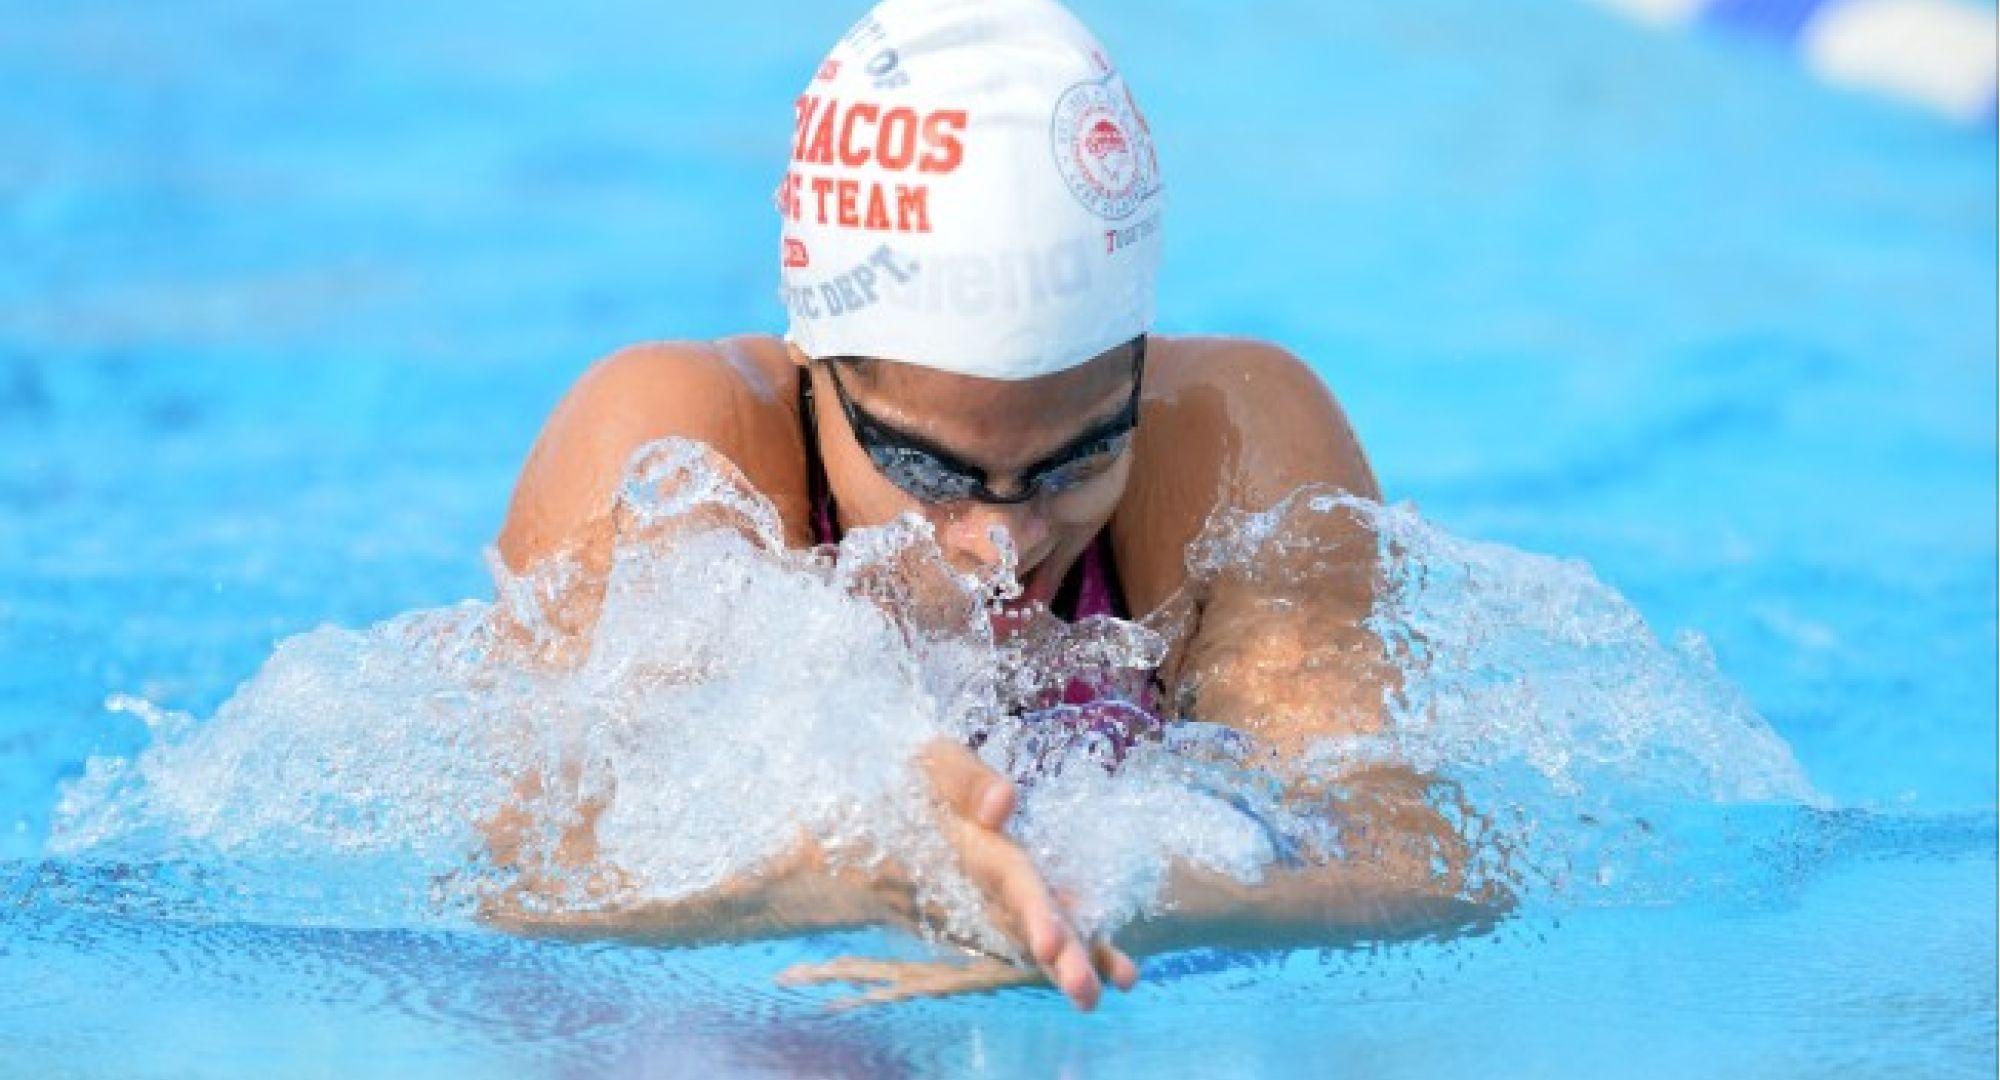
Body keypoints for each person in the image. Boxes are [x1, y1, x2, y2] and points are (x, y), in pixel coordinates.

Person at [485, 0, 1494, 1011]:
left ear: (1135, 372)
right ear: (814, 356)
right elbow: (530, 875)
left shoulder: (1231, 444)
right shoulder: (675, 456)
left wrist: (1118, 890)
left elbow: (1412, 860)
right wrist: (848, 871)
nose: (1003, 544)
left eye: (1080, 457)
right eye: (930, 472)